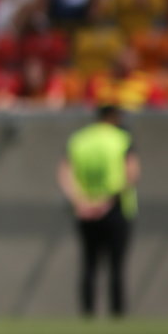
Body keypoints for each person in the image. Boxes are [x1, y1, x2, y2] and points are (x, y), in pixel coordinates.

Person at [57, 104, 140, 318]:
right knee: (116, 266)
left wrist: (81, 201)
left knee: (89, 264)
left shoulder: (79, 139)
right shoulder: (121, 138)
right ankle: (117, 314)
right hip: (116, 208)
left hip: (85, 210)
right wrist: (106, 200)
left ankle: (88, 314)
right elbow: (131, 173)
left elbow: (65, 173)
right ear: (113, 118)